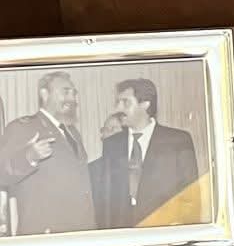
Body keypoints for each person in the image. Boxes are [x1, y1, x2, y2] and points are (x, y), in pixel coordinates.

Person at [91, 77, 201, 228]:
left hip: (163, 231)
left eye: (125, 102)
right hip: (122, 234)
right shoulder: (112, 144)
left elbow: (191, 197)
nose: (118, 109)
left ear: (145, 104)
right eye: (118, 102)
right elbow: (106, 200)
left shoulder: (178, 141)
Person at [0, 69, 96, 235]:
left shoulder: (73, 133)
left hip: (80, 231)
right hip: (46, 233)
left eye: (74, 93)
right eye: (65, 92)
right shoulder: (23, 127)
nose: (72, 99)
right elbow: (2, 173)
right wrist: (29, 156)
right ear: (45, 94)